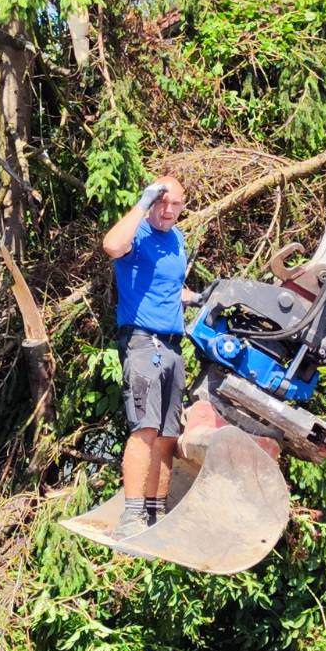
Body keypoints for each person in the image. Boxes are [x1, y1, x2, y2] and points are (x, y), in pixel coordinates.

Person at [102, 175, 199, 539]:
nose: (168, 211)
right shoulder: (137, 233)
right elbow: (111, 246)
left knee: (168, 434)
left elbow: (170, 289)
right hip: (143, 344)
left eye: (175, 204)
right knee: (144, 428)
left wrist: (198, 298)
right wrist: (142, 204)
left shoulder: (178, 239)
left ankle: (156, 513)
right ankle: (131, 516)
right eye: (162, 202)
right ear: (151, 202)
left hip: (173, 347)